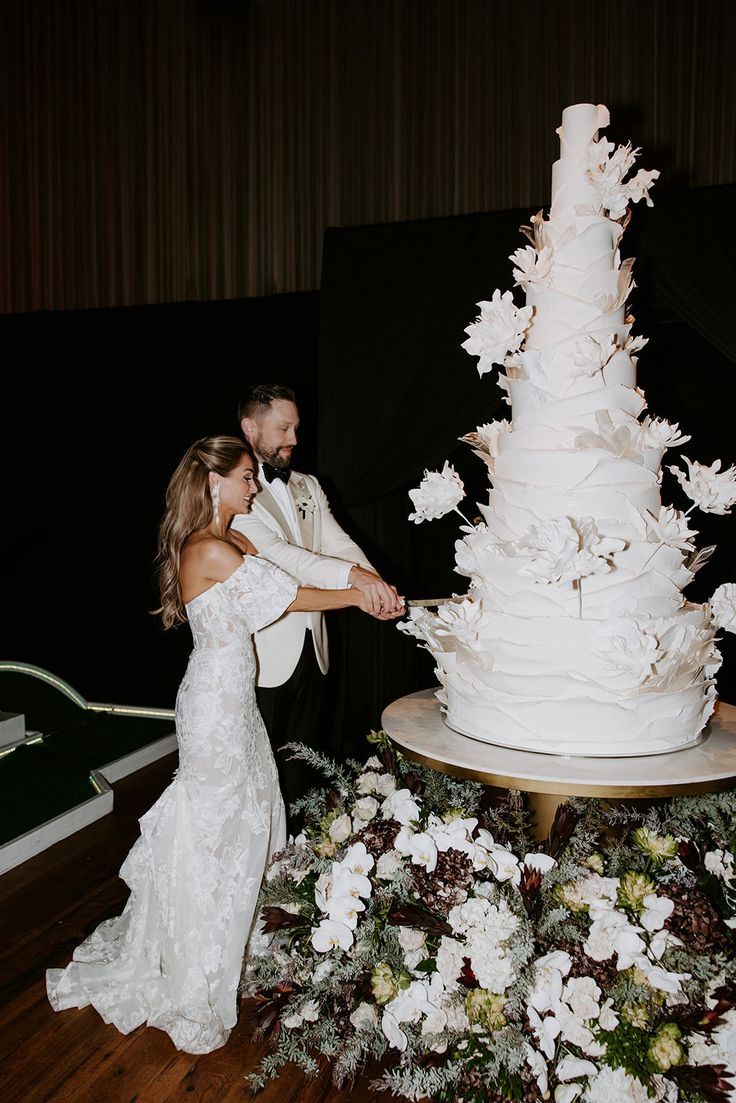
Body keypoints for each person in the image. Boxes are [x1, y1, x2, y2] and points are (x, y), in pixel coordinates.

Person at [46, 436, 401, 1054]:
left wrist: (357, 583)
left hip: (236, 700)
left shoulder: (237, 540)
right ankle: (196, 961)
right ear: (214, 483)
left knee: (250, 818)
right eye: (244, 477)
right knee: (215, 827)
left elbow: (288, 574)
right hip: (212, 703)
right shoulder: (208, 548)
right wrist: (358, 597)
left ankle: (232, 943)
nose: (254, 487)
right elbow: (286, 598)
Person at [231, 384, 402, 809]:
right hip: (262, 652)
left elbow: (337, 542)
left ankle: (295, 858)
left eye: (295, 428)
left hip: (314, 645)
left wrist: (374, 583)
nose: (293, 439)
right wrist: (356, 583)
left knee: (300, 762)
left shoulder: (308, 484)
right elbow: (280, 556)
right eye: (283, 428)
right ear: (250, 427)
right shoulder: (233, 487)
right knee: (258, 766)